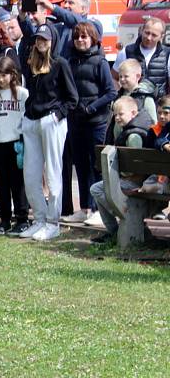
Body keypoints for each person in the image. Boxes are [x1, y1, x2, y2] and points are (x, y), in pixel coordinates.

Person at [19, 25, 79, 241]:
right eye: (38, 38)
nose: (40, 42)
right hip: (32, 120)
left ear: (52, 40)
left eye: (45, 38)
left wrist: (57, 115)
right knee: (31, 175)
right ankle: (40, 219)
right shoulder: (30, 63)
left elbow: (72, 98)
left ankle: (53, 222)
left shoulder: (60, 63)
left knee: (54, 174)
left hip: (51, 120)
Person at [61, 22, 116, 225]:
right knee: (81, 166)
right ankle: (84, 208)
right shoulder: (69, 62)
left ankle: (98, 210)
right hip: (75, 121)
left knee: (96, 166)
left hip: (96, 122)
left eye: (84, 37)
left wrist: (92, 107)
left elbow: (111, 92)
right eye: (77, 37)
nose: (80, 41)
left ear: (93, 39)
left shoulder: (100, 62)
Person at [89, 96, 157, 243]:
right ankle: (115, 227)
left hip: (135, 182)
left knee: (96, 189)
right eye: (115, 114)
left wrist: (124, 174)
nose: (117, 118)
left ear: (133, 113)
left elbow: (137, 168)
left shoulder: (133, 136)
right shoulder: (133, 129)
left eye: (121, 114)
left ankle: (122, 217)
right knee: (99, 189)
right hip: (134, 179)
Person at [0, 56, 30, 235]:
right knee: (1, 184)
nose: (1, 79)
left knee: (18, 183)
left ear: (12, 74)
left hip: (15, 143)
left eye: (4, 75)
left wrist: (24, 139)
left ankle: (22, 218)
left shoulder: (22, 93)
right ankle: (4, 220)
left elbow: (26, 118)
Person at [33, 0, 103, 59]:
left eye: (71, 3)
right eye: (65, 2)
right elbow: (34, 34)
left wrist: (51, 6)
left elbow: (81, 24)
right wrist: (24, 19)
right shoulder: (61, 25)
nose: (65, 5)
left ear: (83, 9)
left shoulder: (94, 24)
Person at [112, 17, 169, 97]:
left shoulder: (167, 54)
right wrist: (120, 96)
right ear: (141, 30)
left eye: (154, 35)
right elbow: (113, 78)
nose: (149, 38)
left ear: (161, 36)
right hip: (133, 105)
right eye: (147, 33)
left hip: (158, 106)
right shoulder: (126, 52)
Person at [116, 59, 157, 123]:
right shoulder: (119, 96)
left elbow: (153, 122)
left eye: (126, 76)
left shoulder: (145, 97)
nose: (122, 79)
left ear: (137, 76)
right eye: (120, 76)